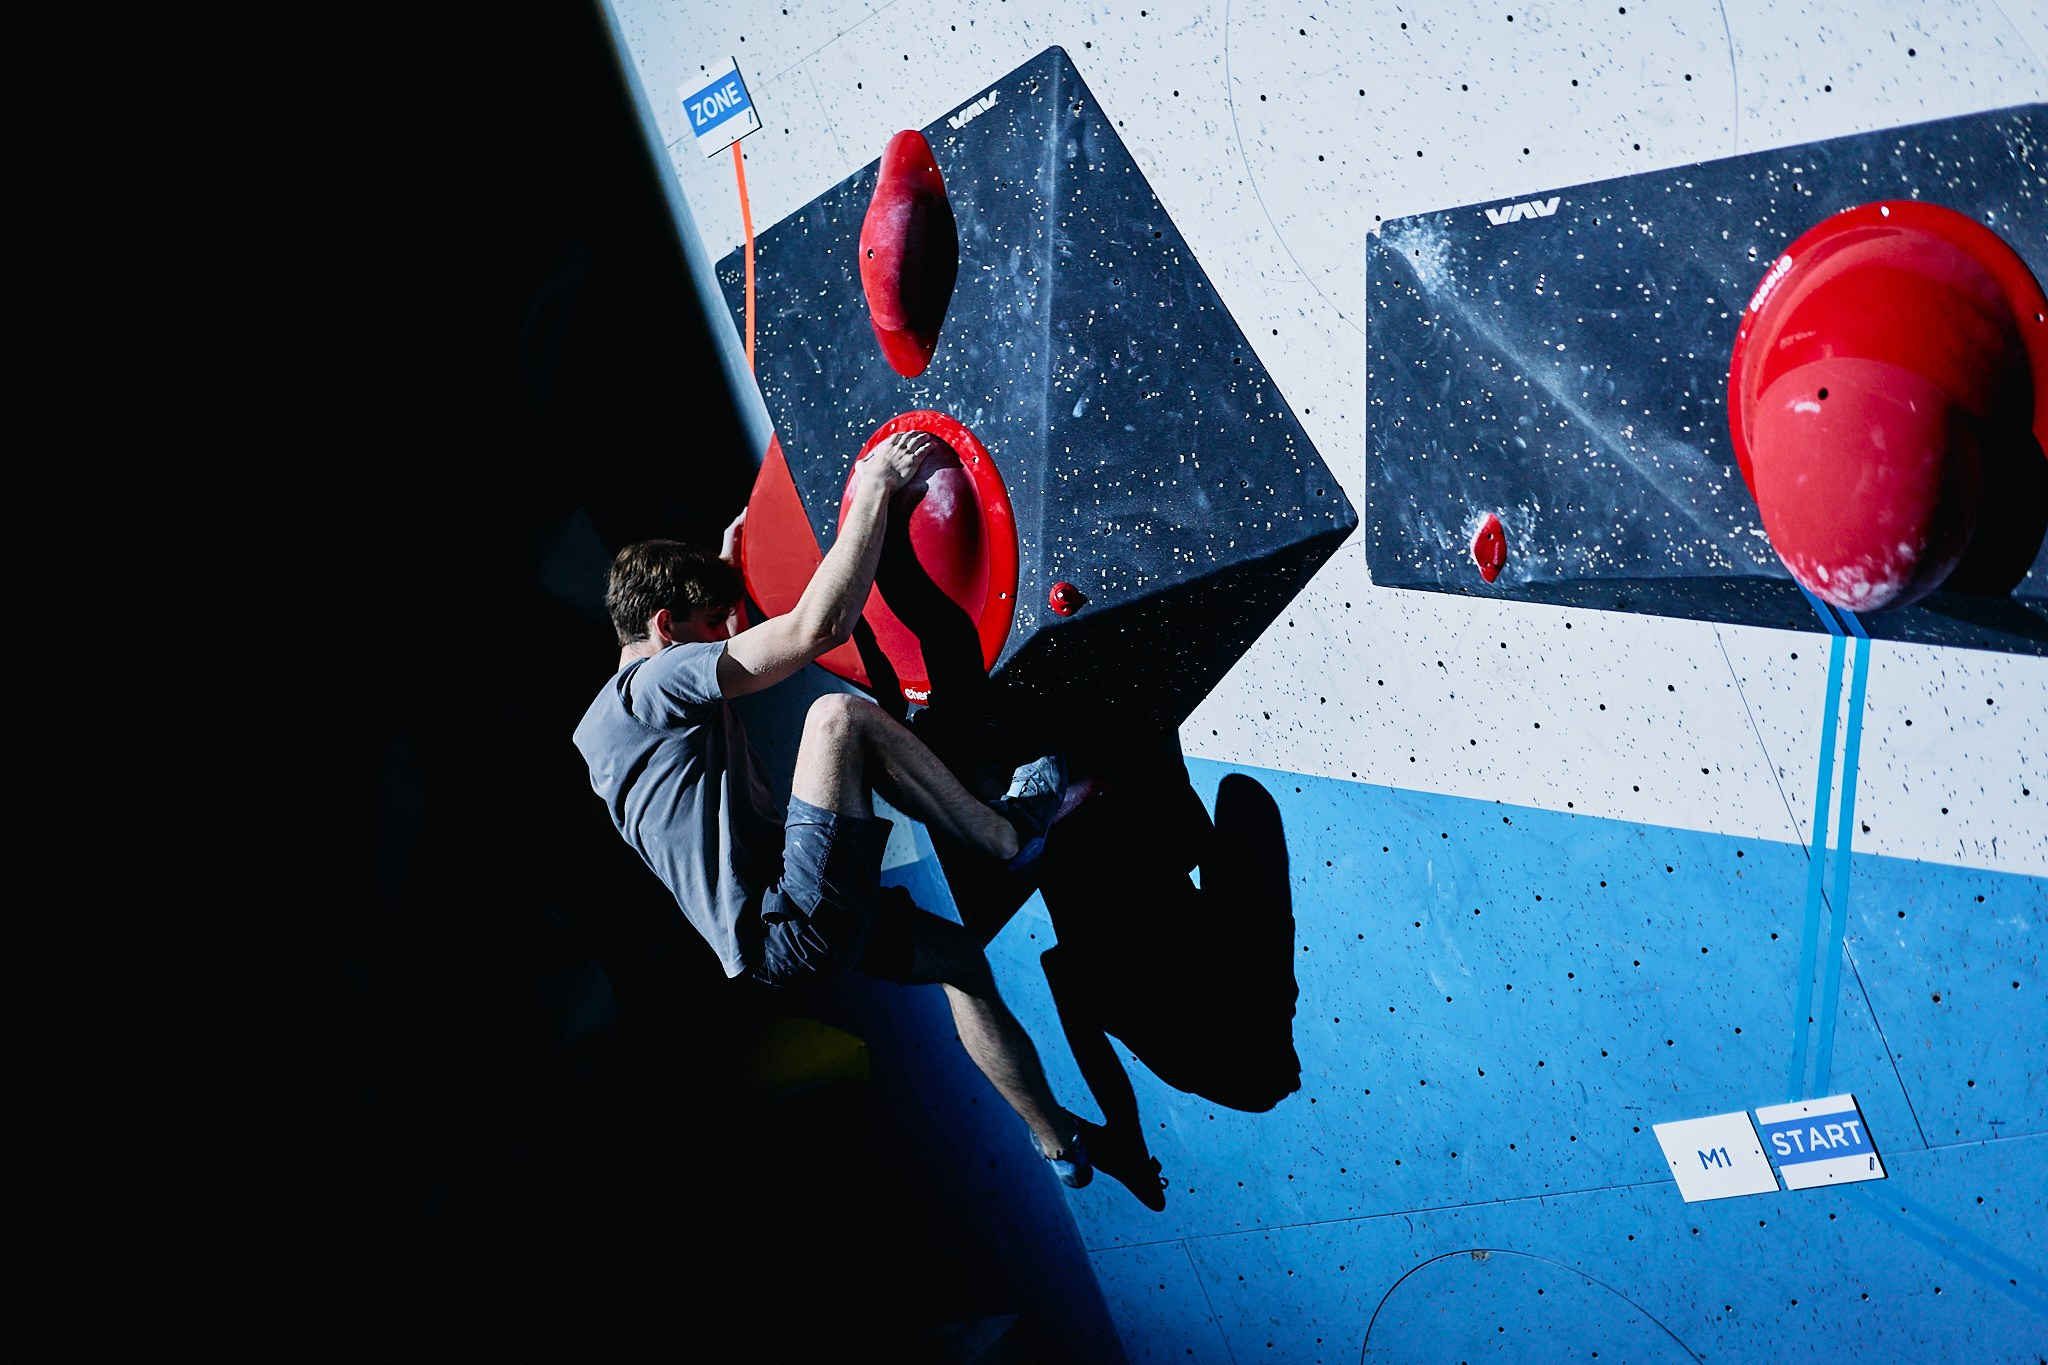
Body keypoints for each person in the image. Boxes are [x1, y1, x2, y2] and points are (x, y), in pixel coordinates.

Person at [573, 430, 1093, 1186]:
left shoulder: (607, 731)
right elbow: (817, 629)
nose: (722, 635)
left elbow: (739, 659)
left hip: (779, 943)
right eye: (707, 625)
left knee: (961, 964)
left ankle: (1056, 1145)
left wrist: (726, 578)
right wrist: (877, 485)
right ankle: (1006, 832)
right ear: (662, 629)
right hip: (792, 917)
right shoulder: (653, 687)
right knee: (838, 723)